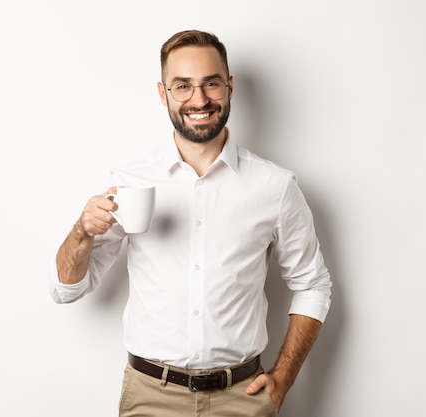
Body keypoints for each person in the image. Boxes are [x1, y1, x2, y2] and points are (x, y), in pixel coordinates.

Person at [49, 29, 332, 417]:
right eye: (182, 86)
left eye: (211, 83)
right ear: (163, 94)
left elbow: (313, 284)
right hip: (151, 397)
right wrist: (82, 231)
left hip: (242, 397)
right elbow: (66, 290)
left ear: (229, 87)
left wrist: (282, 378)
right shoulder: (130, 182)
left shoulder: (275, 186)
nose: (199, 100)